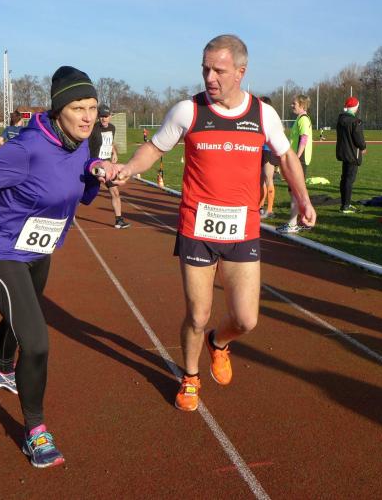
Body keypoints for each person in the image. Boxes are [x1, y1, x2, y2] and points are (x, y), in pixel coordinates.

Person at [114, 34, 316, 412]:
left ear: (241, 72)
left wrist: (303, 199)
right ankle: (190, 377)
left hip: (243, 229)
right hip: (197, 226)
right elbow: (154, 148)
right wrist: (128, 168)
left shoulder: (262, 115)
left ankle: (218, 342)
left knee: (246, 319)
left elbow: (288, 158)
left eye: (218, 70)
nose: (209, 77)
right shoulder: (187, 111)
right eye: (205, 69)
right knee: (198, 314)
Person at [0, 66, 117, 468]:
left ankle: (1, 369)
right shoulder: (26, 149)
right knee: (37, 342)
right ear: (59, 110)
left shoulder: (81, 143)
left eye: (92, 107)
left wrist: (96, 171)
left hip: (39, 250)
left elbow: (82, 191)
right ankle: (35, 431)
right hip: (0, 250)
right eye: (78, 108)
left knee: (21, 316)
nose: (88, 116)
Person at [276, 94, 313, 234]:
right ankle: (296, 221)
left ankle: (293, 224)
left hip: (300, 159)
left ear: (302, 105)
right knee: (294, 192)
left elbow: (304, 139)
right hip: (297, 158)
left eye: (294, 104)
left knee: (295, 192)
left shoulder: (303, 119)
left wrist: (296, 158)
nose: (292, 105)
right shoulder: (300, 118)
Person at [89, 105, 129, 228]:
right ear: (98, 117)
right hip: (94, 164)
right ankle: (69, 215)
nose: (104, 119)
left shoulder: (112, 128)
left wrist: (114, 153)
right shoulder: (93, 129)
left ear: (110, 116)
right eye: (101, 116)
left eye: (106, 116)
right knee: (82, 193)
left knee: (115, 192)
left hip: (107, 165)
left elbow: (110, 142)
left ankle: (119, 220)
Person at [335, 97, 366, 214]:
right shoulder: (355, 121)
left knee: (344, 178)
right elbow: (359, 139)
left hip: (343, 152)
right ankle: (346, 206)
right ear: (355, 108)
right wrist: (363, 147)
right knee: (349, 179)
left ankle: (344, 203)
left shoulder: (340, 119)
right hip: (353, 154)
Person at [258, 96, 277, 219]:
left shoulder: (271, 118)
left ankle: (269, 210)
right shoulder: (258, 117)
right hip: (259, 150)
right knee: (260, 180)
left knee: (268, 179)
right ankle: (259, 207)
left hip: (268, 150)